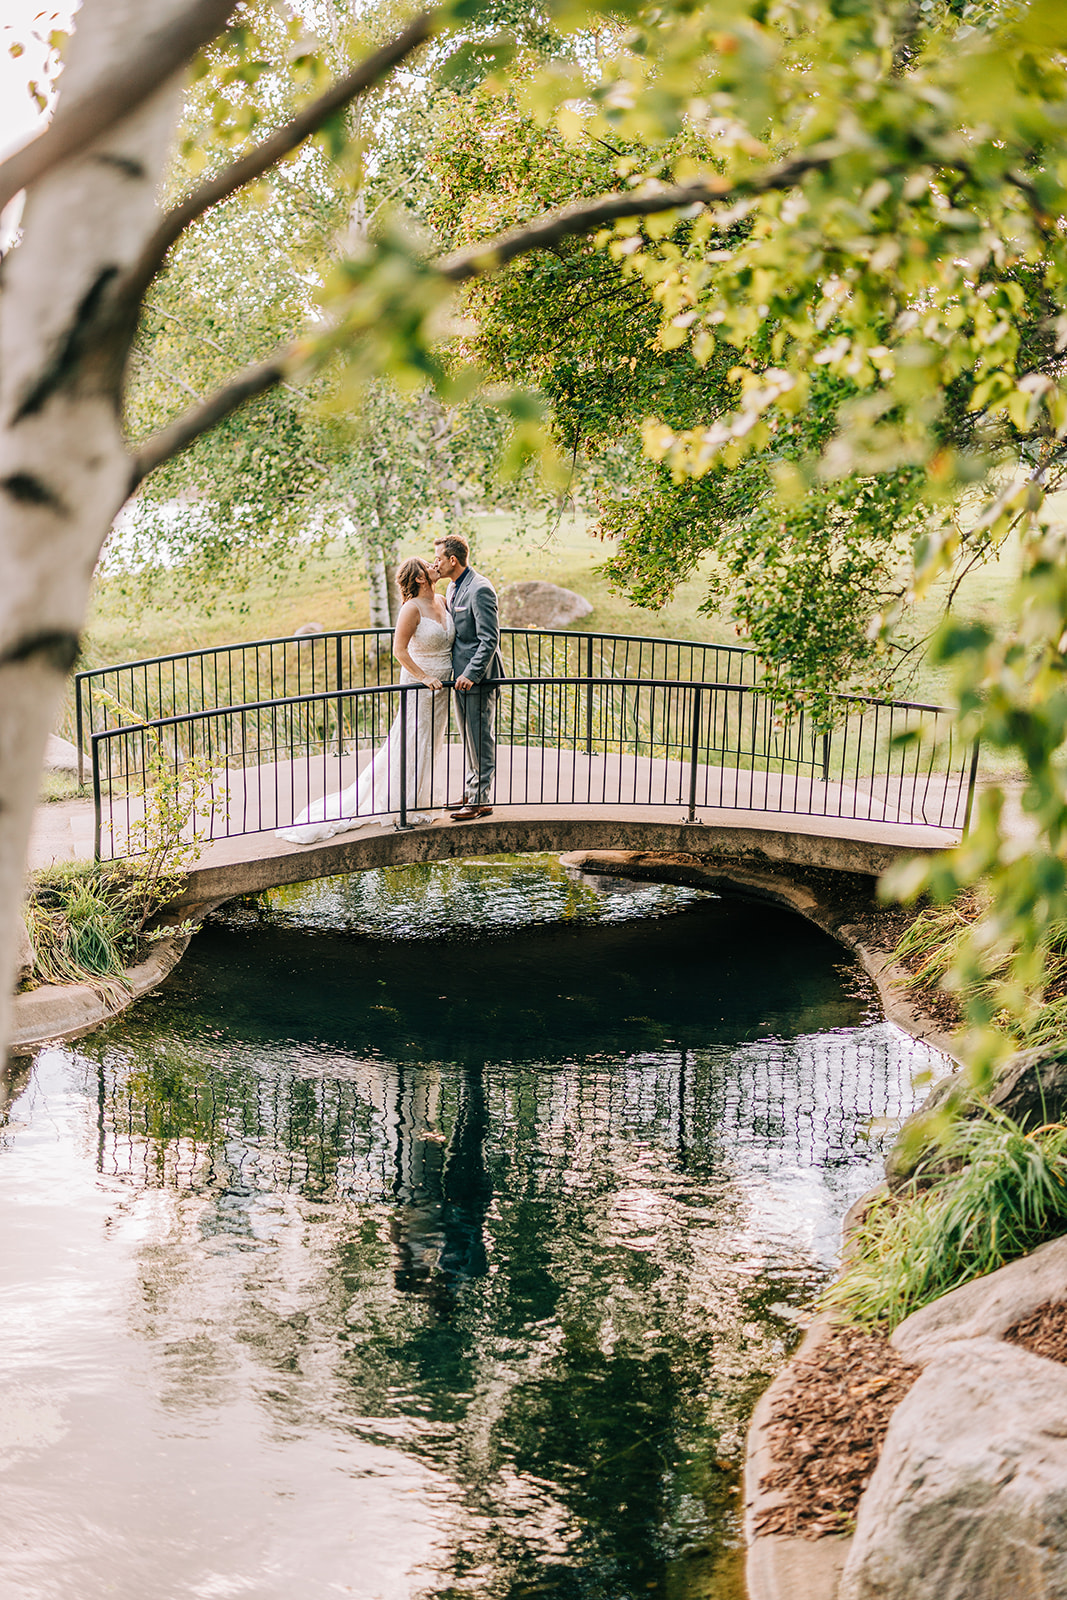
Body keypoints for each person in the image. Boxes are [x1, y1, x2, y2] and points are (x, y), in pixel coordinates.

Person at [276, 556, 454, 845]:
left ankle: (423, 799)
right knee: (412, 739)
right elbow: (399, 651)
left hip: (444, 688)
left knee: (431, 741)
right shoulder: (411, 609)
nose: (435, 567)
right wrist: (424, 677)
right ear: (420, 578)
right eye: (428, 565)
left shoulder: (444, 601)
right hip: (421, 686)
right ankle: (403, 803)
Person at [434, 533, 503, 820]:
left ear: (453, 559)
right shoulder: (452, 587)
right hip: (458, 678)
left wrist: (471, 674)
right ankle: (472, 790)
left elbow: (489, 639)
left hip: (477, 678)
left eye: (438, 558)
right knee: (468, 738)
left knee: (480, 738)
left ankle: (480, 801)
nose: (434, 563)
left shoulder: (480, 589)